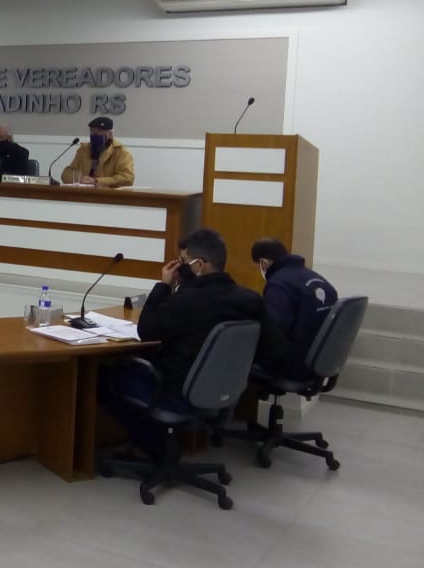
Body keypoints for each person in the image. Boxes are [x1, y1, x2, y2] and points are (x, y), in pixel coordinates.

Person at [99, 228, 263, 459]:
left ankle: (153, 447)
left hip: (177, 393)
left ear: (198, 265)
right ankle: (163, 443)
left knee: (104, 378)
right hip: (222, 390)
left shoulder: (186, 301)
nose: (179, 267)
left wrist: (164, 286)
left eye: (183, 262)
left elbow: (146, 331)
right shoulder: (250, 300)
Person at [251, 237, 338, 376]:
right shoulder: (318, 279)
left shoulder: (278, 285)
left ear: (263, 263)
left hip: (294, 366)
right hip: (320, 360)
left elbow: (274, 333)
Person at [61, 117, 135, 187]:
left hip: (107, 193)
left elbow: (127, 178)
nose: (95, 135)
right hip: (83, 192)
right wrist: (80, 179)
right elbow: (67, 174)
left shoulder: (121, 153)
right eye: (92, 131)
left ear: (110, 134)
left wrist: (96, 181)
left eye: (100, 131)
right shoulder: (84, 149)